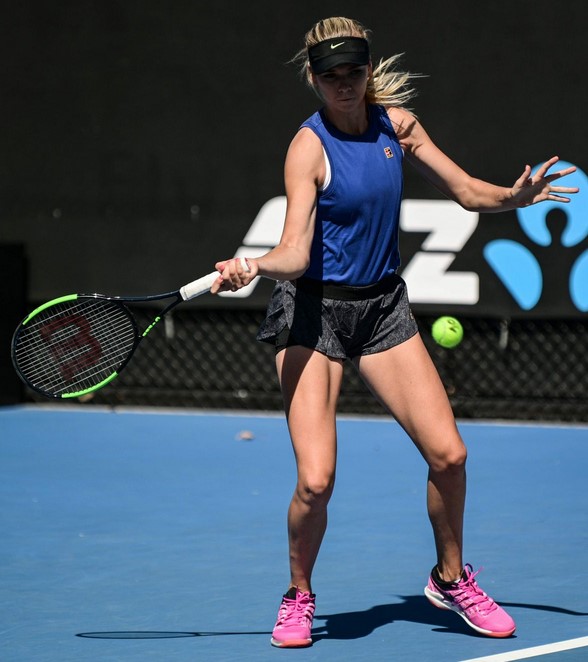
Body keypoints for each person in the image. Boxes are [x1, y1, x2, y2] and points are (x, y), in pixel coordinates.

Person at [211, 16, 579, 648]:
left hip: (382, 309)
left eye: (353, 72)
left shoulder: (398, 126)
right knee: (315, 481)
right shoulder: (308, 148)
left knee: (450, 456)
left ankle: (450, 578)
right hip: (312, 314)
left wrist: (513, 198)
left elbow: (466, 192)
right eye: (331, 75)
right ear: (314, 79)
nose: (344, 84)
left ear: (368, 69)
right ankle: (298, 594)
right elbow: (295, 253)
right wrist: (254, 265)